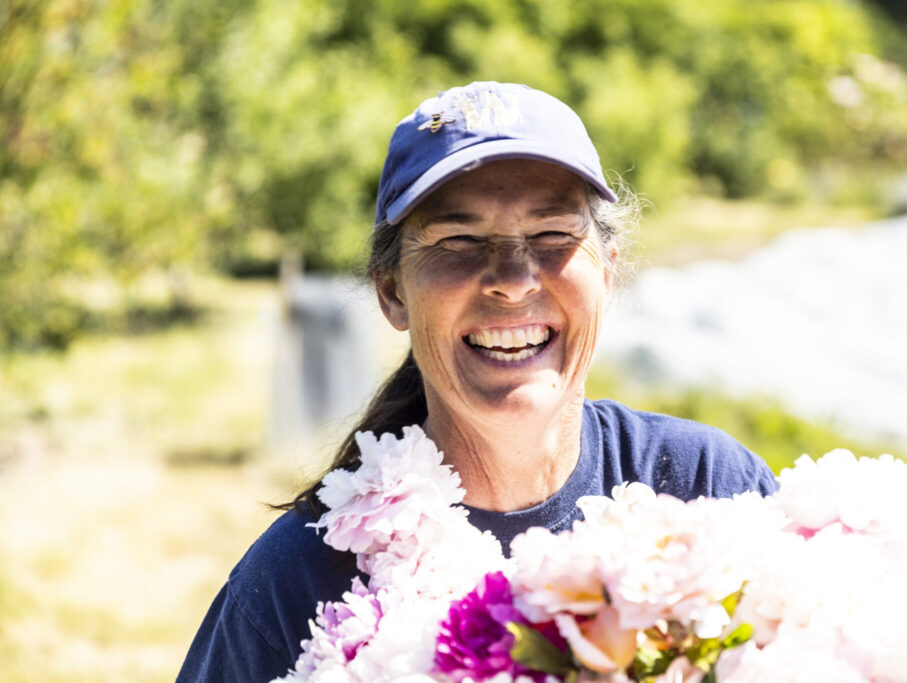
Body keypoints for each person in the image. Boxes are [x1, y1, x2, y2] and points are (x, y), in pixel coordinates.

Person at [177, 81, 778, 682]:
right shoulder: (302, 578)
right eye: (459, 240)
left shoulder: (710, 493)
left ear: (608, 272)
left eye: (552, 235)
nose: (513, 280)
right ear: (392, 292)